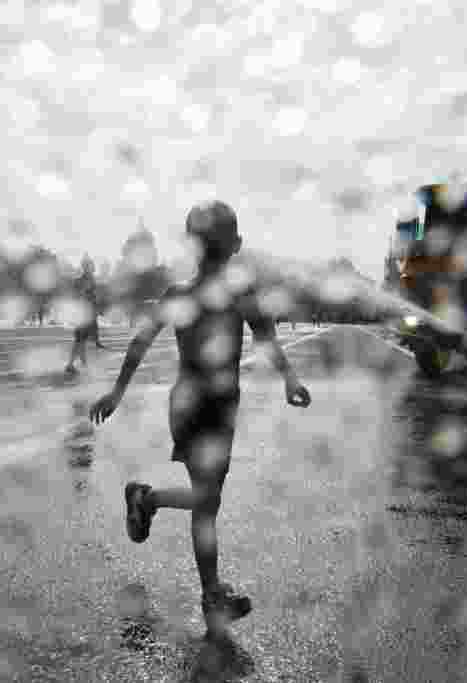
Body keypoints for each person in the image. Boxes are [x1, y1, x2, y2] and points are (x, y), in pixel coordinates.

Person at [89, 200, 312, 641]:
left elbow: (140, 343)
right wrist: (288, 379)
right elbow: (264, 340)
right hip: (202, 407)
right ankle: (211, 594)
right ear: (237, 246)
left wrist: (117, 391)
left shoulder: (187, 295)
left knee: (207, 502)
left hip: (202, 406)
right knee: (208, 503)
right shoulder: (229, 294)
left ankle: (149, 501)